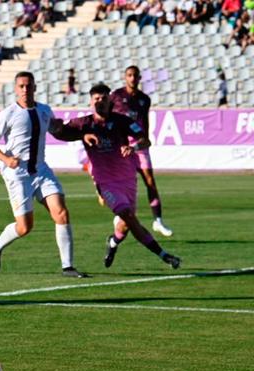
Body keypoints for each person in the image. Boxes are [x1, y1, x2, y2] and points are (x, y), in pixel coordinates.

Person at [58, 84, 181, 270]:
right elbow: (61, 133)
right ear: (91, 101)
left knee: (124, 226)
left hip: (128, 180)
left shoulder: (122, 121)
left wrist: (134, 148)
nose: (100, 101)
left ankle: (113, 242)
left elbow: (145, 140)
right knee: (130, 217)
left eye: (103, 98)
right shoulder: (83, 124)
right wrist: (76, 134)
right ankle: (164, 255)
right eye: (96, 99)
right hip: (106, 183)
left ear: (110, 100)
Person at [0, 72, 87, 278]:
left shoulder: (44, 110)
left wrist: (82, 133)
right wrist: (6, 159)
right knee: (25, 227)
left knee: (61, 212)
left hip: (41, 170)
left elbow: (57, 129)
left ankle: (68, 267)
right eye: (21, 86)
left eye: (28, 86)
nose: (25, 89)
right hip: (18, 173)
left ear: (35, 88)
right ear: (15, 89)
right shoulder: (8, 113)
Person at [110, 65, 173, 237]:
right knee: (123, 182)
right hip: (121, 146)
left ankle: (158, 220)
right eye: (129, 75)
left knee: (150, 181)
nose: (132, 78)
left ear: (139, 78)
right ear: (125, 77)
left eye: (135, 76)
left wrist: (143, 139)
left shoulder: (144, 99)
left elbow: (144, 121)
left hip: (138, 145)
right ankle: (119, 214)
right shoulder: (116, 96)